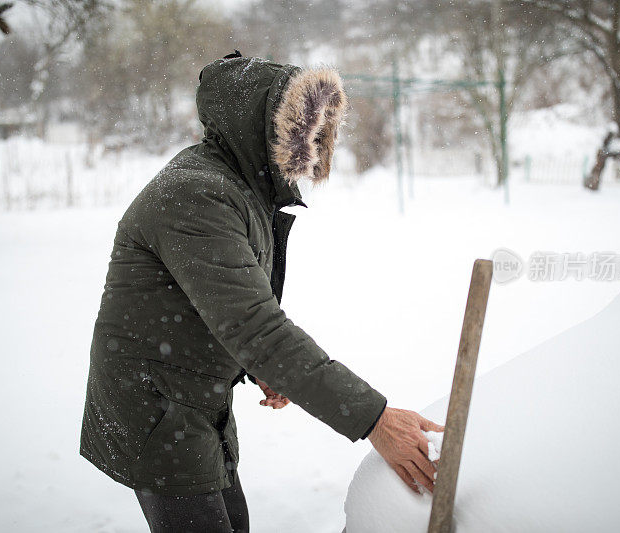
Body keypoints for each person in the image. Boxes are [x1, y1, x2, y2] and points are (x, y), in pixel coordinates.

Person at [79, 51, 444, 533]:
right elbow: (257, 327)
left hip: (191, 394)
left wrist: (257, 364)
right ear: (258, 125)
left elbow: (233, 307)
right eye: (299, 127)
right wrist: (375, 420)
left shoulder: (237, 187)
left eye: (315, 131)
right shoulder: (197, 195)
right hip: (157, 406)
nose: (310, 143)